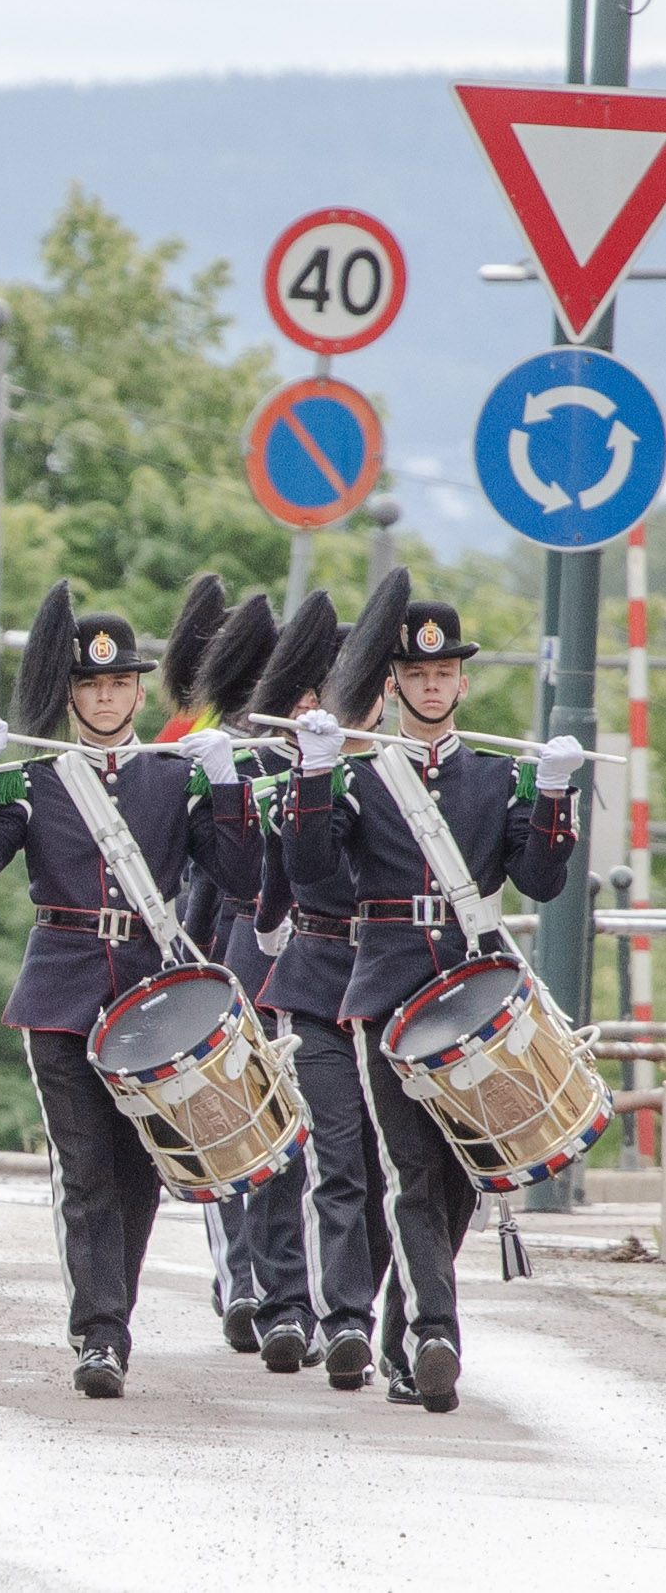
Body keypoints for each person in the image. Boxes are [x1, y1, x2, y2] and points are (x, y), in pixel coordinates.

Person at [0, 581, 257, 1399]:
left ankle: (108, 1317)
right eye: (90, 684)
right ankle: (99, 1333)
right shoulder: (39, 778)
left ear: (137, 690)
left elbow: (239, 875)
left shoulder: (167, 775)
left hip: (150, 998)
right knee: (82, 1169)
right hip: (60, 988)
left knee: (139, 1168)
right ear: (71, 692)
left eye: (119, 683)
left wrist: (226, 787)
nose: (106, 696)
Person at [279, 571, 580, 1413]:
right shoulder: (366, 775)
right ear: (394, 684)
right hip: (386, 992)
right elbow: (309, 871)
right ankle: (436, 1333)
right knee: (409, 1169)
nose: (430, 684)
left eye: (442, 672)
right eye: (414, 675)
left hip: (472, 996)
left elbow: (539, 879)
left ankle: (402, 1336)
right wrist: (310, 777)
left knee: (456, 1181)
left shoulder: (491, 777)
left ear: (461, 680)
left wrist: (553, 797)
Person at [245, 590, 401, 1391]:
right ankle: (332, 1316)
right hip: (313, 976)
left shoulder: (408, 780)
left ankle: (352, 1300)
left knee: (386, 1174)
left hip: (390, 983)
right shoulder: (300, 774)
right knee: (329, 1161)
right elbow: (277, 878)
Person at [185, 594, 322, 1373]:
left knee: (302, 1142)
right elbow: (207, 875)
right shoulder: (230, 758)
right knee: (236, 1125)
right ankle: (242, 1279)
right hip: (240, 949)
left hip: (318, 959)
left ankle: (286, 1290)